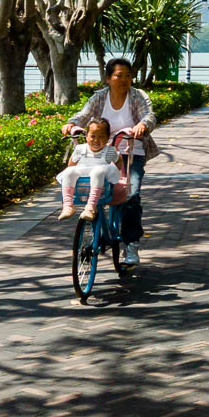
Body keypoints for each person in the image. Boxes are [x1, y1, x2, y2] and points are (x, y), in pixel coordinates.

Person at [65, 59, 158, 267]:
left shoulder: (138, 96)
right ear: (108, 78)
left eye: (127, 75)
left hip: (131, 153)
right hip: (101, 154)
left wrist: (142, 125)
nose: (124, 79)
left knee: (131, 194)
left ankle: (131, 244)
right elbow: (83, 115)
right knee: (94, 189)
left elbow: (149, 115)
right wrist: (71, 124)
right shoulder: (99, 98)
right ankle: (96, 225)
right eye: (118, 75)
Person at [57, 119, 124, 220]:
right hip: (83, 186)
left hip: (101, 186)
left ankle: (90, 207)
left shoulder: (109, 151)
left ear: (107, 138)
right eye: (93, 136)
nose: (96, 140)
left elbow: (119, 161)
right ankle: (68, 206)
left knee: (98, 171)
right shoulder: (80, 149)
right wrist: (71, 175)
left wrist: (113, 173)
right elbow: (71, 164)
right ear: (87, 136)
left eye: (101, 137)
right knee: (69, 171)